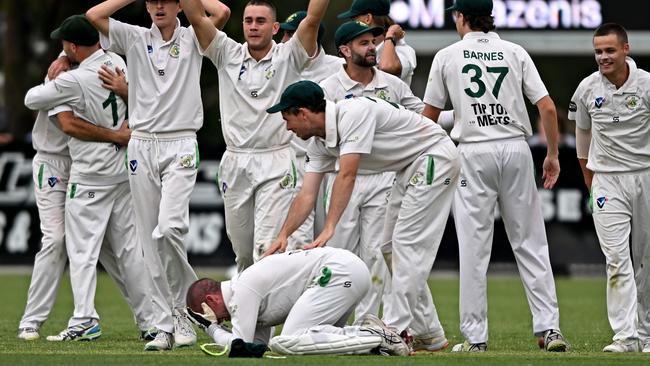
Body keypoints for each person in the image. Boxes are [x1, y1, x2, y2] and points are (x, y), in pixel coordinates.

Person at [264, 80, 459, 352]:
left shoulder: (352, 113)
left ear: (303, 113)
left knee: (406, 247)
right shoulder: (319, 143)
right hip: (408, 166)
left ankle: (395, 330)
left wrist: (329, 226)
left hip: (434, 155)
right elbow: (307, 194)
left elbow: (348, 174)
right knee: (390, 248)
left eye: (288, 119)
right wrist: (283, 235)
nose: (288, 127)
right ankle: (429, 332)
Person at [422, 0, 568, 352]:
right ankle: (549, 329)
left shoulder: (448, 56)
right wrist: (552, 153)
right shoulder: (514, 51)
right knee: (531, 242)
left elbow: (428, 118)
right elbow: (547, 106)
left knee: (474, 247)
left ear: (461, 17)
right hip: (516, 148)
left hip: (473, 151)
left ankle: (476, 338)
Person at [85, 0, 230, 350]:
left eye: (167, 0)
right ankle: (168, 323)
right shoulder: (134, 37)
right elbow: (94, 16)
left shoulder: (194, 34)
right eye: (153, 0)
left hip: (179, 142)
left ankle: (189, 310)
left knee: (169, 228)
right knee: (150, 242)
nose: (159, 6)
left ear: (180, 5)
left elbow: (221, 12)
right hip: (142, 144)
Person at [316, 21, 448, 352]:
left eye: (374, 41)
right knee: (343, 254)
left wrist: (431, 146)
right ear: (344, 51)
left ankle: (380, 327)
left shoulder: (391, 84)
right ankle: (336, 326)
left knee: (382, 255)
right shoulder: (328, 87)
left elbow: (422, 118)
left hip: (386, 174)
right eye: (363, 43)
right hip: (345, 177)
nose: (372, 47)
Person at [23, 14, 155, 342]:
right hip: (98, 167)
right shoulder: (118, 62)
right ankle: (151, 322)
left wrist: (51, 78)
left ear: (70, 45)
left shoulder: (71, 76)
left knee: (84, 250)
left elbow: (37, 104)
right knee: (119, 249)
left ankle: (85, 319)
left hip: (90, 170)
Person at [181, 0, 328, 271]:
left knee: (266, 249)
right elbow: (196, 17)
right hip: (235, 161)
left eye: (260, 21)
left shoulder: (289, 54)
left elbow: (313, 19)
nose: (253, 26)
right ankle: (254, 308)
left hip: (276, 161)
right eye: (248, 20)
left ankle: (262, 313)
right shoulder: (227, 52)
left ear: (274, 27)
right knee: (244, 254)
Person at [568, 23, 650, 353]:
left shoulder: (646, 85)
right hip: (606, 180)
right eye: (598, 51)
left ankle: (646, 333)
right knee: (616, 259)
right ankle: (626, 336)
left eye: (610, 50)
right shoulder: (587, 89)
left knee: (645, 259)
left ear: (626, 49)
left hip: (645, 173)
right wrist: (589, 176)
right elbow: (582, 134)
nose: (603, 57)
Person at [186, 247, 409, 356]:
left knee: (290, 340)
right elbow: (258, 347)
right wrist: (215, 326)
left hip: (340, 272)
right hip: (346, 271)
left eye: (207, 312)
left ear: (211, 299)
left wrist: (210, 327)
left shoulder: (242, 290)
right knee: (317, 340)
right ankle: (371, 335)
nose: (220, 320)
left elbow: (241, 346)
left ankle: (375, 337)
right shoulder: (242, 292)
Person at [279, 9, 344, 239]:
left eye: (290, 35)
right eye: (284, 35)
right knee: (298, 236)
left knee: (331, 235)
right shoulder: (281, 63)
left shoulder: (339, 67)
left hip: (332, 162)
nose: (285, 41)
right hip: (296, 162)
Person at [337, 0, 416, 86]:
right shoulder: (355, 51)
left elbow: (387, 67)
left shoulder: (402, 49)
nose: (352, 24)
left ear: (368, 18)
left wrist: (390, 37)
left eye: (354, 19)